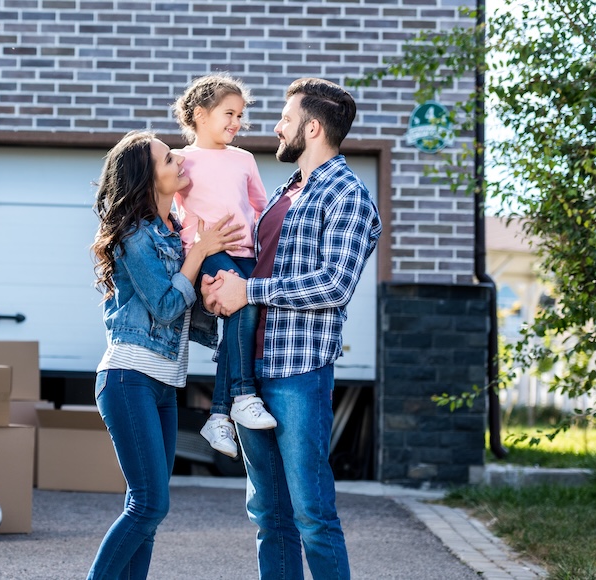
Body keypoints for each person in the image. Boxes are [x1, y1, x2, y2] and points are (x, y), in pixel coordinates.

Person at [202, 78, 382, 579]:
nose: (276, 127)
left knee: (312, 514)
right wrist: (220, 288)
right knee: (268, 514)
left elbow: (333, 285)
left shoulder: (347, 194)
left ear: (314, 126)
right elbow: (252, 267)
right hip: (249, 374)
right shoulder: (285, 191)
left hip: (298, 371)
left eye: (286, 118)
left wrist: (249, 293)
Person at [88, 130, 243, 580]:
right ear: (146, 177)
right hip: (128, 378)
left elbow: (187, 311)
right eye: (168, 159)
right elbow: (166, 304)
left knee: (147, 515)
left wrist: (216, 292)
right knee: (149, 504)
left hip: (164, 385)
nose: (180, 162)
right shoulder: (134, 236)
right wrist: (198, 255)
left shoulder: (172, 233)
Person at [171, 73, 277, 462]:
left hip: (245, 252)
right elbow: (163, 200)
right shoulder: (181, 160)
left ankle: (218, 415)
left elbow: (260, 208)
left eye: (240, 116)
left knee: (242, 317)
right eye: (228, 113)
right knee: (243, 306)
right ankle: (243, 395)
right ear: (200, 115)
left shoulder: (244, 159)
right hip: (208, 252)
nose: (236, 122)